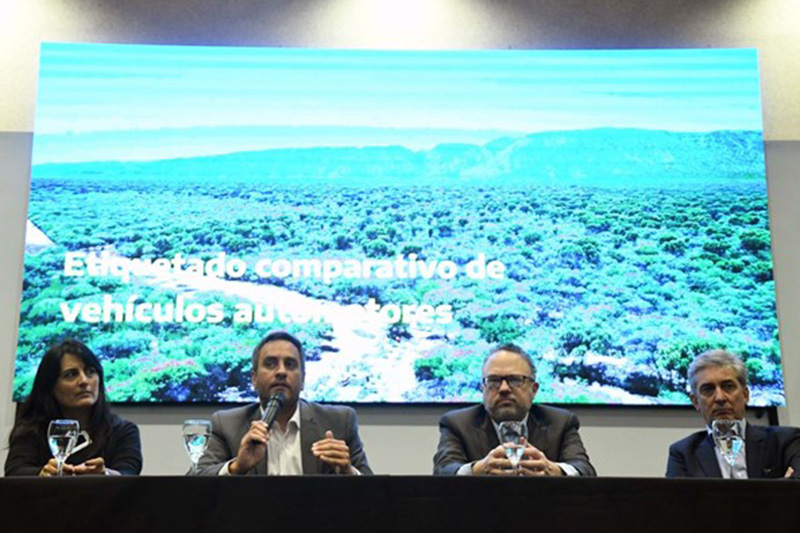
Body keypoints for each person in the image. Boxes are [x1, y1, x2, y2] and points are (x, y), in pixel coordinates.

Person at [195, 331, 372, 475]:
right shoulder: (227, 424)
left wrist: (348, 471)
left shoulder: (339, 421)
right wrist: (237, 467)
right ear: (254, 379)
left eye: (290, 364)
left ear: (303, 379)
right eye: (270, 364)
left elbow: (374, 493)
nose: (281, 372)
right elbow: (195, 481)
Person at [433, 343, 595, 476]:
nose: (504, 389)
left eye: (515, 380)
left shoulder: (560, 422)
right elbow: (443, 471)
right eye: (494, 380)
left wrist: (554, 470)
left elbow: (584, 470)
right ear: (483, 388)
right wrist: (477, 469)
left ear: (534, 389)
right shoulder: (457, 423)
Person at [4, 340, 142, 476]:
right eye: (71, 374)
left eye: (90, 371)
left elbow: (128, 474)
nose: (84, 381)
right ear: (50, 385)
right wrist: (42, 473)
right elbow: (15, 472)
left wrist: (104, 474)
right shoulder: (31, 430)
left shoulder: (122, 430)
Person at [666, 349, 800, 479]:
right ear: (695, 402)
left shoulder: (786, 441)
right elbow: (676, 501)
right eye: (708, 389)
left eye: (728, 386)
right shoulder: (683, 454)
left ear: (745, 395)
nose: (719, 398)